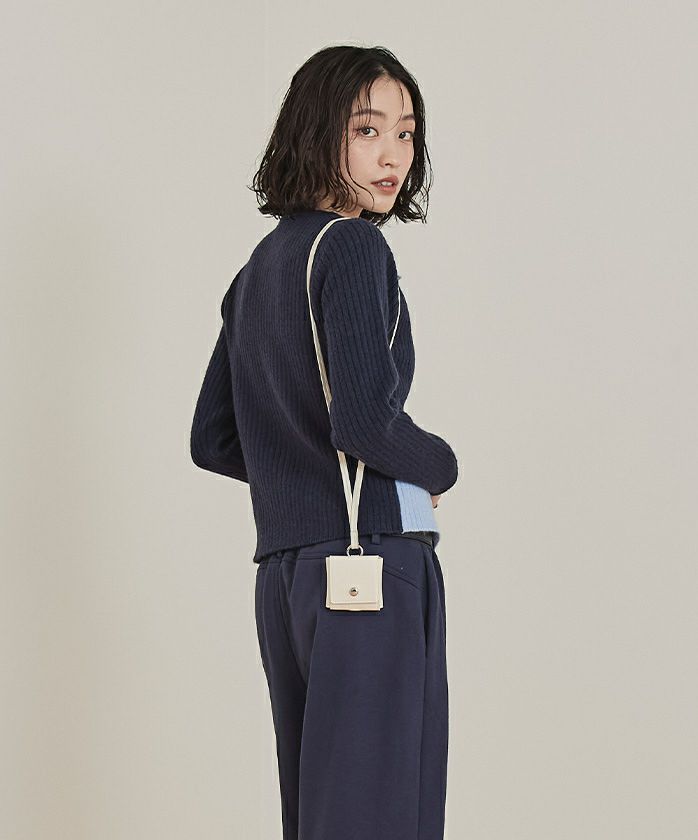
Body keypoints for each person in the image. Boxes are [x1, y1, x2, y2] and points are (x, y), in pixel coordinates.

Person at [190, 44, 459, 840]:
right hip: (367, 569)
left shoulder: (257, 270)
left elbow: (213, 438)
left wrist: (299, 481)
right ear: (316, 132)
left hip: (286, 580)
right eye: (367, 129)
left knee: (324, 818)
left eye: (406, 133)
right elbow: (365, 423)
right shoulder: (351, 247)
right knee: (380, 816)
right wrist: (441, 464)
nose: (393, 156)